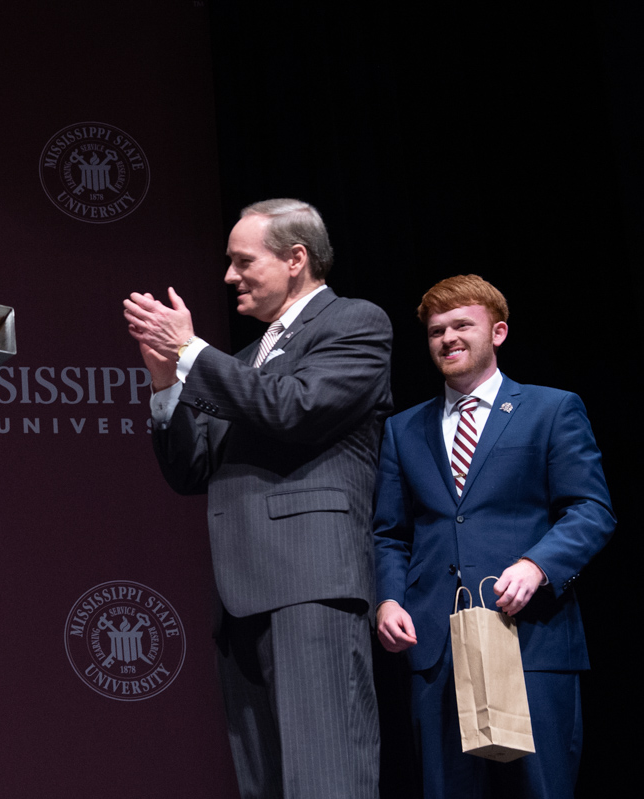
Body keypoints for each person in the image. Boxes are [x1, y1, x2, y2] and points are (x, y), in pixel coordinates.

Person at [123, 198, 391, 798]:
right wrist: (165, 381)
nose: (228, 276)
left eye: (243, 261)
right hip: (242, 595)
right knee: (264, 785)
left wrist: (192, 352)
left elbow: (291, 409)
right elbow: (191, 470)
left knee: (327, 779)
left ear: (296, 259)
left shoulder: (355, 322)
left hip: (309, 585)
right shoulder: (244, 360)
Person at [373, 275, 614, 799]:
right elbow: (390, 533)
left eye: (463, 325)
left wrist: (538, 565)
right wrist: (390, 598)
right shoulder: (403, 429)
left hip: (530, 638)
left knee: (542, 789)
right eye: (437, 330)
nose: (448, 338)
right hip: (436, 645)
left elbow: (591, 509)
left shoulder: (551, 409)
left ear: (498, 332)